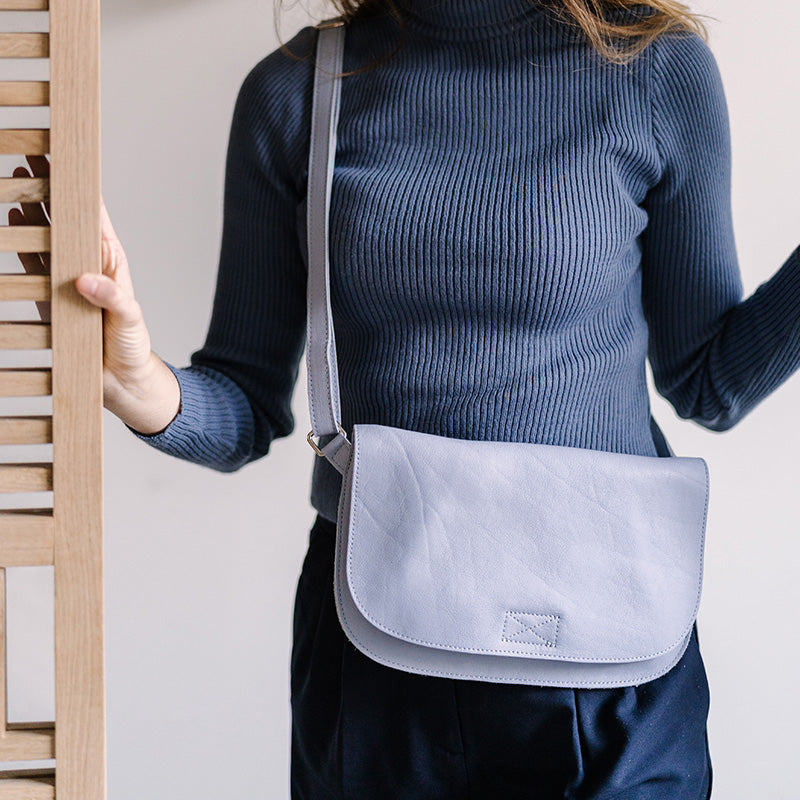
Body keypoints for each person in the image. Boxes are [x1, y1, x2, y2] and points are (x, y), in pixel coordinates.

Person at [12, 0, 800, 796]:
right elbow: (245, 402)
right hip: (377, 646)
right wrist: (138, 384)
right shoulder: (297, 92)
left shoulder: (655, 69)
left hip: (614, 646)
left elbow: (708, 380)